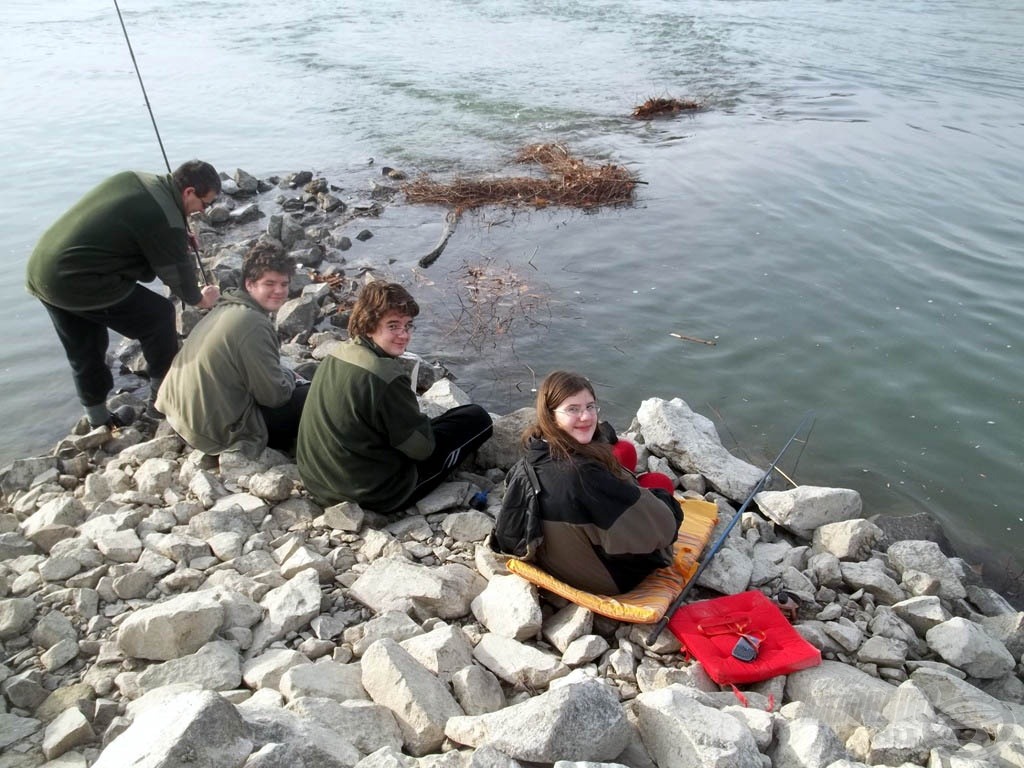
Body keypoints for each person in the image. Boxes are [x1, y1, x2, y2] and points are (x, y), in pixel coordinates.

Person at [25, 160, 222, 429]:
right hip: (78, 279)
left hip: (43, 272)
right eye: (205, 203)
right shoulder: (164, 217)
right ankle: (161, 400)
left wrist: (177, 233)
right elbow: (178, 278)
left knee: (84, 347)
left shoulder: (139, 179)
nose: (203, 211)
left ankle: (98, 422)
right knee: (159, 316)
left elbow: (136, 226)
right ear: (188, 192)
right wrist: (201, 298)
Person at [297, 282, 493, 513]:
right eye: (393, 326)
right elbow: (422, 450)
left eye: (408, 326)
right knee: (476, 418)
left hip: (317, 480)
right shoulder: (385, 376)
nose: (404, 335)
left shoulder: (337, 354)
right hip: (371, 493)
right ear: (369, 326)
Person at [518, 370, 683, 595]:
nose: (586, 416)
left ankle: (632, 492)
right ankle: (642, 493)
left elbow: (603, 440)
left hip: (555, 552)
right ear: (551, 415)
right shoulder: (585, 475)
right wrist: (660, 499)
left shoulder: (536, 447)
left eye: (590, 407)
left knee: (624, 451)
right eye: (573, 409)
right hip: (603, 576)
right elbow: (663, 529)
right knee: (659, 482)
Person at [156, 243, 309, 457]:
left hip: (177, 414)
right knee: (313, 394)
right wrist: (291, 378)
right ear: (250, 284)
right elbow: (274, 397)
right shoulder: (253, 324)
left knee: (294, 377)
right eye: (270, 283)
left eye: (284, 284)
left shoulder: (227, 306)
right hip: (211, 434)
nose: (280, 291)